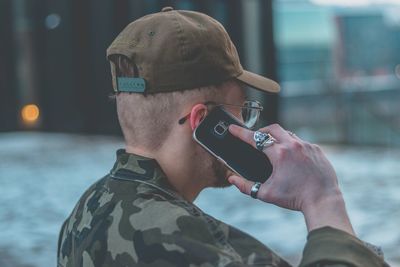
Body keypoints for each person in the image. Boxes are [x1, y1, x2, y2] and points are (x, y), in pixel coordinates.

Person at [57, 7, 389, 267]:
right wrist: (324, 200)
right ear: (203, 121)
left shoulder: (86, 213)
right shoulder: (199, 245)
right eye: (243, 109)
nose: (249, 124)